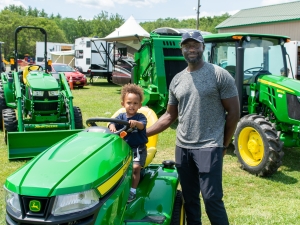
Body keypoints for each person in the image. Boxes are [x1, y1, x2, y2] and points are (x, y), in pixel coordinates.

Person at [146, 31, 240, 225]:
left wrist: (223, 145)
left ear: (203, 47)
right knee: (190, 199)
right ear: (181, 49)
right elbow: (170, 115)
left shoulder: (219, 75)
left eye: (195, 45)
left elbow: (234, 113)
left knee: (212, 199)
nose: (191, 49)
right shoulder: (177, 80)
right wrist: (144, 132)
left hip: (209, 145)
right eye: (187, 46)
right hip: (183, 148)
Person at [108, 83, 148, 203]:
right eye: (129, 103)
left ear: (140, 105)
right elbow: (111, 122)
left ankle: (132, 191)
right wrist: (112, 126)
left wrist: (136, 123)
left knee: (135, 167)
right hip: (123, 148)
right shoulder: (120, 116)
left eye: (135, 103)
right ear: (123, 104)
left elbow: (142, 126)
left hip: (138, 149)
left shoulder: (141, 117)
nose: (132, 106)